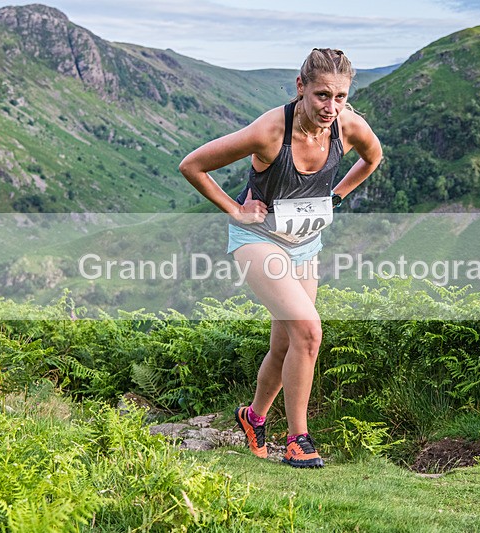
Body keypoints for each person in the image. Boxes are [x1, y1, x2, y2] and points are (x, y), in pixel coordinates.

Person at [179, 48, 382, 468]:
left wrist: (335, 197)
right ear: (301, 87)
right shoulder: (270, 131)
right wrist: (236, 210)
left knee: (287, 342)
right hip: (257, 238)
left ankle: (253, 417)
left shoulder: (347, 125)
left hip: (304, 243)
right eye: (322, 95)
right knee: (308, 332)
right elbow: (193, 165)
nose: (331, 107)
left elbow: (372, 158)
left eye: (341, 97)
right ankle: (298, 439)